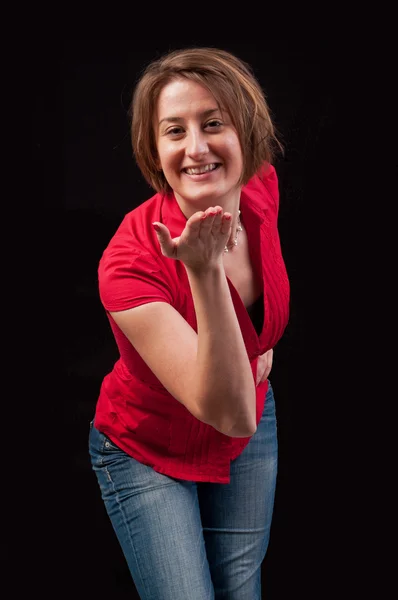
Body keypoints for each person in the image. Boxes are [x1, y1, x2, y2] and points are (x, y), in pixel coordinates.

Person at [88, 46, 290, 600]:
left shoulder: (259, 190)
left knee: (241, 591)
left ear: (246, 133)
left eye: (214, 123)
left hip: (248, 418)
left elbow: (260, 318)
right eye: (174, 131)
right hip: (147, 447)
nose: (196, 148)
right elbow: (228, 413)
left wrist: (260, 345)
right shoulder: (128, 264)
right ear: (155, 152)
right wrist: (203, 271)